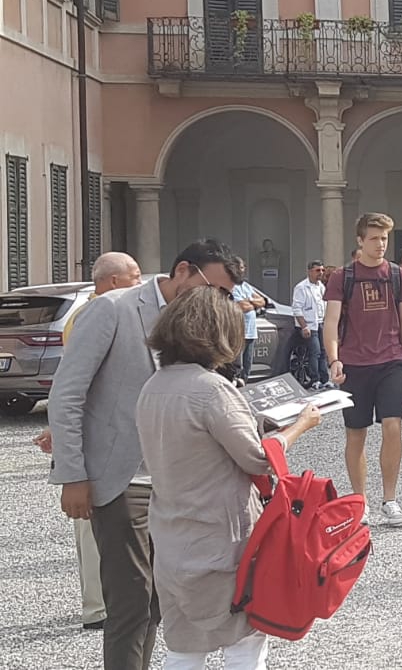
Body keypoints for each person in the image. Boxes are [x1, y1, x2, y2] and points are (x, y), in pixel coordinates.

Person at [48, 238, 242, 670]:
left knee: (161, 600)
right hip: (122, 480)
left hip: (176, 483)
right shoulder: (113, 309)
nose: (216, 301)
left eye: (225, 295)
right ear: (182, 271)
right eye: (211, 288)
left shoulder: (198, 322)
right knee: (132, 602)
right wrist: (72, 474)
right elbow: (67, 394)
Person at [137, 286, 322, 670]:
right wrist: (300, 425)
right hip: (221, 537)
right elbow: (256, 459)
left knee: (184, 647)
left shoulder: (153, 385)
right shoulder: (211, 390)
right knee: (244, 643)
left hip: (172, 536)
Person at [36, 252, 143, 633]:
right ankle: (98, 607)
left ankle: (103, 603)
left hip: (90, 434)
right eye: (134, 276)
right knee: (93, 528)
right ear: (113, 281)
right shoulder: (101, 314)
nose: (140, 282)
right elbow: (78, 387)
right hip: (95, 441)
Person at [323, 213, 402, 526]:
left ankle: (390, 499)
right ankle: (359, 501)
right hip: (354, 364)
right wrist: (334, 359)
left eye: (385, 239)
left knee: (393, 425)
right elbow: (331, 322)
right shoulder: (343, 276)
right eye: (375, 238)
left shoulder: (398, 276)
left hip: (390, 360)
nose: (381, 244)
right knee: (356, 433)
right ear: (360, 240)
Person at [292, 260, 330, 389]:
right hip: (309, 325)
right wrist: (304, 326)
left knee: (324, 352)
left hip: (320, 322)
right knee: (315, 352)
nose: (321, 273)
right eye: (317, 270)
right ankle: (315, 379)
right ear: (310, 271)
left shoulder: (321, 287)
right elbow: (297, 308)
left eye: (322, 270)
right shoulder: (301, 287)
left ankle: (325, 379)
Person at [229, 260, 267, 380]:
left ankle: (244, 382)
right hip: (238, 331)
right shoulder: (231, 286)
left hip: (250, 332)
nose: (243, 270)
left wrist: (250, 301)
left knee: (248, 364)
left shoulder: (245, 286)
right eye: (240, 267)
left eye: (243, 267)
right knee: (236, 365)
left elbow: (262, 301)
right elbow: (242, 306)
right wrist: (253, 303)